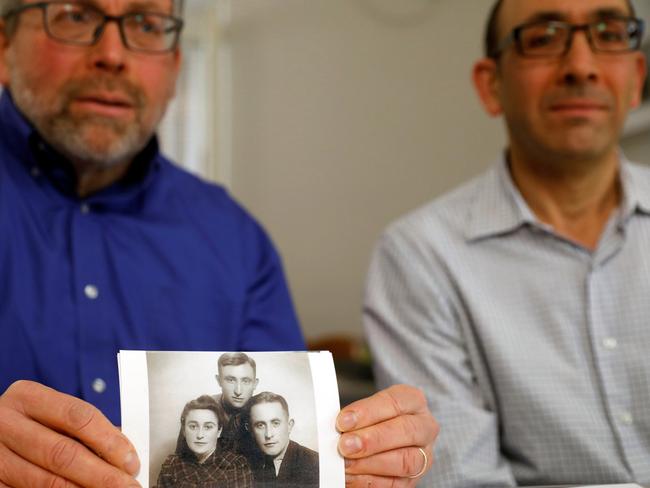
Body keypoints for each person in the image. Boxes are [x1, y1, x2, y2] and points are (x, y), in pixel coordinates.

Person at [0, 0, 438, 487]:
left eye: (146, 25)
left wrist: (363, 460)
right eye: (76, 16)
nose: (113, 54)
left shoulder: (237, 240)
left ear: (174, 65)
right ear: (3, 45)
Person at [364, 0, 649, 486]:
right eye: (542, 38)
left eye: (608, 33)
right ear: (490, 84)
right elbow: (461, 479)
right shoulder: (420, 256)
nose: (581, 67)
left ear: (637, 77)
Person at [156, 395, 253, 488]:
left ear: (219, 431)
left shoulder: (235, 465)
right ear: (184, 431)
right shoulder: (172, 466)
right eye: (193, 426)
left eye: (208, 427)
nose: (200, 435)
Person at [247, 392, 318, 488]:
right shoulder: (245, 464)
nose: (268, 434)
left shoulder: (315, 464)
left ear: (289, 425)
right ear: (250, 430)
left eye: (275, 423)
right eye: (260, 425)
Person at [213, 353, 259, 453]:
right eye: (231, 380)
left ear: (255, 384)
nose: (238, 391)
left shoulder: (263, 411)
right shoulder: (202, 409)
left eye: (245, 381)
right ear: (219, 380)